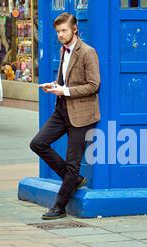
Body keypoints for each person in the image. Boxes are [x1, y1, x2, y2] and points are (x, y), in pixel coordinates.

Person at [30, 13, 101, 220]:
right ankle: (73, 178)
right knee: (37, 143)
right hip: (61, 110)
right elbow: (66, 78)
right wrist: (54, 85)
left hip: (81, 114)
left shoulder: (88, 52)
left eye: (64, 31)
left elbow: (94, 85)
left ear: (75, 29)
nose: (60, 35)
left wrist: (66, 91)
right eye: (58, 32)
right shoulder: (63, 50)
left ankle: (59, 207)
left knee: (73, 162)